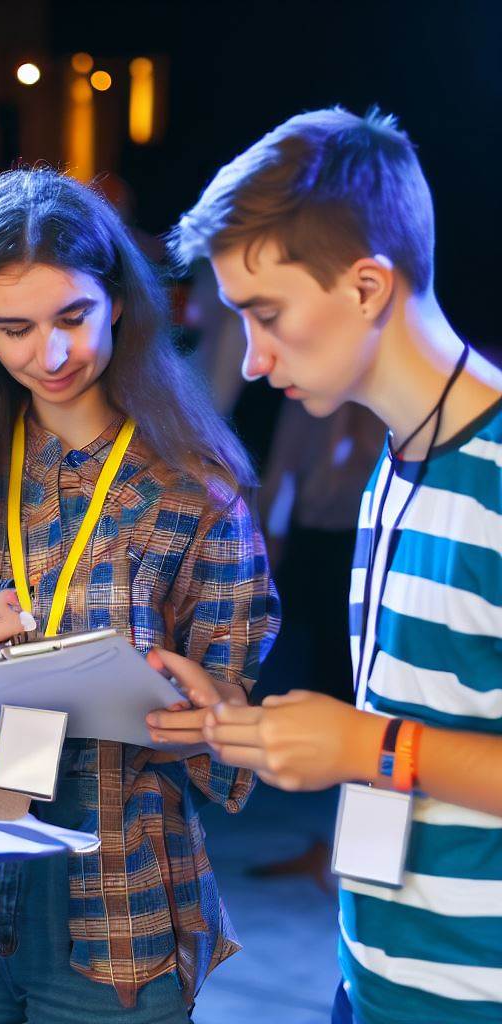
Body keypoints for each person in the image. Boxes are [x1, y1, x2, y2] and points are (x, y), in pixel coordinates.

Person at [0, 167, 279, 1022]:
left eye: (73, 317)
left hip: (119, 891)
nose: (51, 354)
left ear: (117, 299)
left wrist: (198, 710)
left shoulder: (196, 493)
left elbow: (240, 748)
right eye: (14, 329)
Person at [151, 108, 502, 1024]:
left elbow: (392, 744)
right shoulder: (398, 459)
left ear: (367, 284)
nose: (257, 359)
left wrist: (367, 745)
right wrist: (254, 731)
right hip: (377, 977)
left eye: (266, 316)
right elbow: (429, 725)